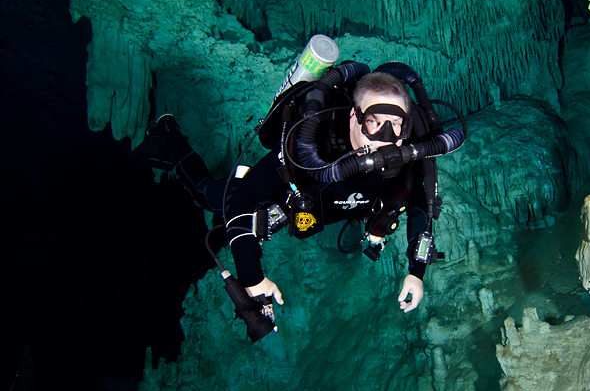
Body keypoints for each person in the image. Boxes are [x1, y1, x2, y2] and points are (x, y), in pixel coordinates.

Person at [133, 62, 465, 336]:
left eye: (396, 125)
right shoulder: (311, 146)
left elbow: (420, 202)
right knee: (209, 197)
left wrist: (416, 271)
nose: (386, 139)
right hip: (287, 201)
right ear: (354, 117)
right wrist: (252, 277)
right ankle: (169, 134)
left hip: (335, 210)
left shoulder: (405, 156)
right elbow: (243, 196)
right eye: (374, 123)